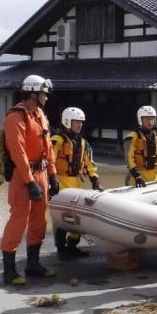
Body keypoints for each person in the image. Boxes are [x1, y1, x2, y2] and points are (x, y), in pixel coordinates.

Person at [0, 75, 58, 286]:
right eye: (44, 93)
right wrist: (29, 181)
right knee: (18, 220)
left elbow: (48, 146)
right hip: (22, 176)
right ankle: (9, 270)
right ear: (33, 93)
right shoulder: (15, 118)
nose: (46, 97)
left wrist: (52, 173)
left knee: (38, 220)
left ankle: (33, 265)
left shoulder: (39, 114)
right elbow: (18, 152)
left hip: (40, 172)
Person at [51, 107, 102, 260]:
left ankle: (72, 246)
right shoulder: (57, 140)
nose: (79, 125)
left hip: (76, 184)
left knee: (77, 217)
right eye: (76, 122)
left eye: (81, 122)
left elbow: (88, 163)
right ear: (67, 122)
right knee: (62, 218)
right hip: (61, 182)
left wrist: (94, 178)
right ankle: (61, 248)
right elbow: (50, 160)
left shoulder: (83, 142)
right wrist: (51, 179)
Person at [126, 105, 157, 187]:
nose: (150, 121)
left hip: (155, 177)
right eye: (147, 119)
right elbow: (129, 158)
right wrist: (137, 175)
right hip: (137, 178)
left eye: (152, 118)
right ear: (140, 119)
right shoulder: (133, 137)